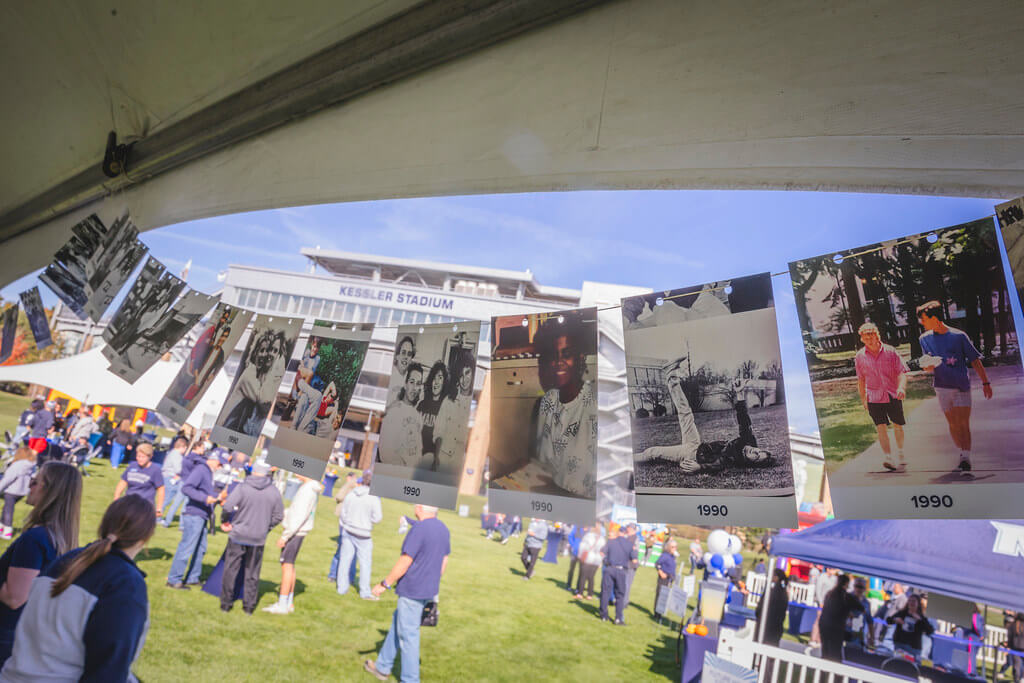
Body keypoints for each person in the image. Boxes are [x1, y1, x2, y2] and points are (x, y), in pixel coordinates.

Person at [0, 495, 155, 681]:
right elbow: (109, 669)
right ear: (145, 538)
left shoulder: (66, 561)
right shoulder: (124, 584)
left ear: (104, 525)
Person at [0, 462, 81, 666]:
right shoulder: (59, 536)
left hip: (7, 634)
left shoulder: (35, 539)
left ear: (50, 491)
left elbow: (14, 597)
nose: (29, 485)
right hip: (29, 635)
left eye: (35, 481)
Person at [635, 362, 774, 474]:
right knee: (685, 412)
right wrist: (740, 394)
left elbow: (719, 464)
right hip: (696, 444)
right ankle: (671, 376)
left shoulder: (736, 458)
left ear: (751, 462)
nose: (755, 451)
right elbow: (743, 419)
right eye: (760, 451)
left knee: (653, 452)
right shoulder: (749, 441)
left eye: (757, 456)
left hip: (691, 454)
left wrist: (700, 467)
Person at [363, 504, 450, 683]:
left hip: (413, 590)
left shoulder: (419, 529)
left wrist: (385, 584)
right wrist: (433, 580)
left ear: (420, 508)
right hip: (429, 590)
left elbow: (405, 561)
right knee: (398, 625)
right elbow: (444, 559)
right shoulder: (443, 528)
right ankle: (382, 667)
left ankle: (410, 679)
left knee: (408, 637)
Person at [916, 301, 993, 475]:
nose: (922, 323)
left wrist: (986, 383)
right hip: (942, 387)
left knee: (963, 423)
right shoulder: (924, 339)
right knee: (953, 424)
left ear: (934, 318)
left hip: (961, 386)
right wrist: (927, 366)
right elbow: (927, 362)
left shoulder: (959, 336)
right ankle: (962, 451)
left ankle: (965, 457)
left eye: (924, 319)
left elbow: (975, 360)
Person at [531, 317, 598, 497]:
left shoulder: (595, 405)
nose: (558, 362)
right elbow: (541, 463)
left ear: (580, 358)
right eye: (553, 356)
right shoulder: (547, 401)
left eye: (566, 354)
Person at [219, 461, 284, 614]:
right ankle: (249, 606)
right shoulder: (274, 491)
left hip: (238, 534)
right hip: (258, 537)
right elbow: (278, 516)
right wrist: (266, 527)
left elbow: (227, 506)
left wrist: (225, 521)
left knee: (231, 569)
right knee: (253, 573)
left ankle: (226, 603)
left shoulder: (243, 487)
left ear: (253, 471)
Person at [855, 322, 909, 471]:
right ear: (862, 339)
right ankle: (888, 457)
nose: (869, 340)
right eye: (866, 338)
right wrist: (863, 399)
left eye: (871, 336)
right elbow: (861, 380)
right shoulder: (860, 357)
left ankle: (901, 452)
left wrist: (901, 387)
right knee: (880, 427)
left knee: (897, 425)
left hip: (892, 394)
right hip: (873, 396)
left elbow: (901, 372)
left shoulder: (890, 352)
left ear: (877, 335)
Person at [264, 474, 322, 614]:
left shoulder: (307, 490)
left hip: (295, 532)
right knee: (290, 564)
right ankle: (288, 602)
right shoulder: (309, 488)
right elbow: (296, 510)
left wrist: (285, 536)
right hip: (298, 531)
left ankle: (282, 604)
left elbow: (299, 516)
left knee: (287, 566)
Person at [166, 452, 223, 589]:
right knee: (187, 547)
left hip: (202, 514)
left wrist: (217, 497)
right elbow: (186, 488)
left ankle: (192, 578)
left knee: (201, 548)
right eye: (220, 463)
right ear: (212, 460)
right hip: (194, 514)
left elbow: (205, 490)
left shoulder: (208, 472)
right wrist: (205, 498)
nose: (220, 466)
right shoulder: (201, 470)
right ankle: (174, 579)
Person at [337, 471, 383, 599]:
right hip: (363, 534)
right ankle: (364, 592)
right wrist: (367, 520)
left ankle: (341, 588)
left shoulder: (351, 494)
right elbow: (377, 518)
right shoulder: (373, 498)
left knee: (345, 560)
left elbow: (343, 513)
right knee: (365, 564)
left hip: (348, 530)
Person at [433, 350, 474, 474]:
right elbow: (439, 431)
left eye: (467, 373)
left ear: (473, 372)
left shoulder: (475, 404)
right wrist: (436, 457)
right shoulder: (448, 400)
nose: (464, 379)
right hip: (443, 458)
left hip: (461, 463)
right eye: (461, 375)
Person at [382, 363, 426, 467]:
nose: (414, 388)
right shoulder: (394, 410)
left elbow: (418, 451)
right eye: (412, 382)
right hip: (395, 471)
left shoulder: (418, 417)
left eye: (418, 384)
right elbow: (385, 450)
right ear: (405, 384)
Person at [818, 574, 865, 662]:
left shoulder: (829, 593)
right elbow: (861, 608)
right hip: (836, 626)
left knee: (825, 649)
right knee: (835, 652)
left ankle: (822, 667)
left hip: (824, 623)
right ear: (847, 583)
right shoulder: (846, 596)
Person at [600, 524, 637, 625]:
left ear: (618, 533)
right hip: (621, 571)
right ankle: (618, 618)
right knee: (620, 595)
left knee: (605, 592)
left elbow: (602, 553)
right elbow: (634, 560)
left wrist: (606, 560)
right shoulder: (630, 545)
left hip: (609, 568)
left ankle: (603, 615)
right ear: (625, 533)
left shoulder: (611, 542)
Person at [113, 442, 165, 514]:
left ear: (150, 456)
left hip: (145, 506)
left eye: (143, 457)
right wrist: (116, 498)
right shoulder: (132, 465)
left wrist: (159, 508)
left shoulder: (155, 470)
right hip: (128, 503)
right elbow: (123, 482)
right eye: (138, 456)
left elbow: (161, 489)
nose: (140, 459)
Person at [328, 472, 360, 582]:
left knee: (346, 551)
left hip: (352, 525)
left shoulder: (353, 488)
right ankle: (335, 575)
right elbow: (340, 496)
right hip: (349, 525)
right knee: (345, 551)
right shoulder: (354, 490)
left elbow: (339, 496)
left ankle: (340, 576)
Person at [417, 362, 448, 472]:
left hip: (431, 463)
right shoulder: (422, 404)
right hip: (416, 457)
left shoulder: (444, 408)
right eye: (434, 378)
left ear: (444, 382)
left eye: (440, 377)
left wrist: (436, 457)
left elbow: (441, 436)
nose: (436, 382)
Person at [886, 593, 934, 660]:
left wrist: (920, 620)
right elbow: (888, 620)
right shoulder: (903, 613)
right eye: (910, 601)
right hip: (900, 644)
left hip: (914, 648)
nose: (911, 603)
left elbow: (930, 631)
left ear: (918, 604)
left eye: (913, 601)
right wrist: (895, 620)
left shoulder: (921, 617)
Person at [0, 449, 35, 540]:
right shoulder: (31, 466)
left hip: (12, 490)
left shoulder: (17, 465)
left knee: (8, 510)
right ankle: (1, 528)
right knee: (6, 509)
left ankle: (7, 531)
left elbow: (8, 479)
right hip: (22, 491)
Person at [757, 569, 789, 647]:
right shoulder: (781, 591)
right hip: (775, 626)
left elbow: (762, 607)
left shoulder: (775, 591)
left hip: (770, 626)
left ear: (776, 577)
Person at [159, 437, 188, 522]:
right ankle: (157, 517)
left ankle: (157, 516)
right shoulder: (177, 455)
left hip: (168, 477)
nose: (185, 450)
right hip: (171, 478)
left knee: (166, 499)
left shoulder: (172, 453)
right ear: (182, 447)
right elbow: (178, 469)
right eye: (185, 448)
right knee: (167, 499)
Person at [575, 524, 605, 600]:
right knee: (591, 577)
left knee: (583, 576)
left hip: (588, 558)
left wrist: (579, 556)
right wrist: (601, 561)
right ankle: (590, 595)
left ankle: (580, 593)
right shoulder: (602, 539)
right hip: (597, 560)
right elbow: (603, 551)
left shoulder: (588, 536)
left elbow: (582, 546)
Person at [844, 577, 875, 650]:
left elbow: (870, 621)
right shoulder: (847, 597)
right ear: (854, 586)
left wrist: (872, 637)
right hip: (845, 633)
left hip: (858, 636)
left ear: (864, 589)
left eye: (860, 587)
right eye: (856, 586)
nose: (858, 589)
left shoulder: (866, 603)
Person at [387, 336, 416, 409]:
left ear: (411, 360)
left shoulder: (410, 377)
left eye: (409, 354)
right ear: (397, 356)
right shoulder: (389, 374)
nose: (406, 357)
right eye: (403, 352)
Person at [653, 539, 678, 620]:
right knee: (660, 596)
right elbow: (657, 564)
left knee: (665, 597)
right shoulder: (665, 555)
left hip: (669, 579)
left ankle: (660, 613)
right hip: (664, 579)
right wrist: (661, 572)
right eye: (673, 547)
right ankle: (656, 614)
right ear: (669, 547)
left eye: (675, 547)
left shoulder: (673, 556)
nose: (674, 548)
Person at [565, 524, 586, 592]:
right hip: (575, 553)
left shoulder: (589, 530)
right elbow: (570, 536)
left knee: (581, 572)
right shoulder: (577, 527)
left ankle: (578, 588)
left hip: (583, 555)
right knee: (571, 570)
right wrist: (573, 545)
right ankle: (568, 586)